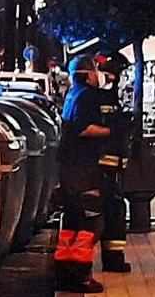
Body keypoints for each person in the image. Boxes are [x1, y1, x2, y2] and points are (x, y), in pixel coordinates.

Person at [54, 54, 117, 293]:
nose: (97, 74)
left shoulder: (72, 93)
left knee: (72, 219)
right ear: (87, 73)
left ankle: (64, 272)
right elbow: (85, 128)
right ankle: (80, 275)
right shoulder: (88, 95)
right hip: (82, 167)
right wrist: (112, 130)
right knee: (92, 218)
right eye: (94, 70)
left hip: (69, 166)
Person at [94, 51, 132, 273]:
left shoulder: (108, 97)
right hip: (103, 165)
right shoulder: (98, 98)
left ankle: (113, 257)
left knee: (115, 209)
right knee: (111, 210)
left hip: (112, 163)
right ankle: (112, 258)